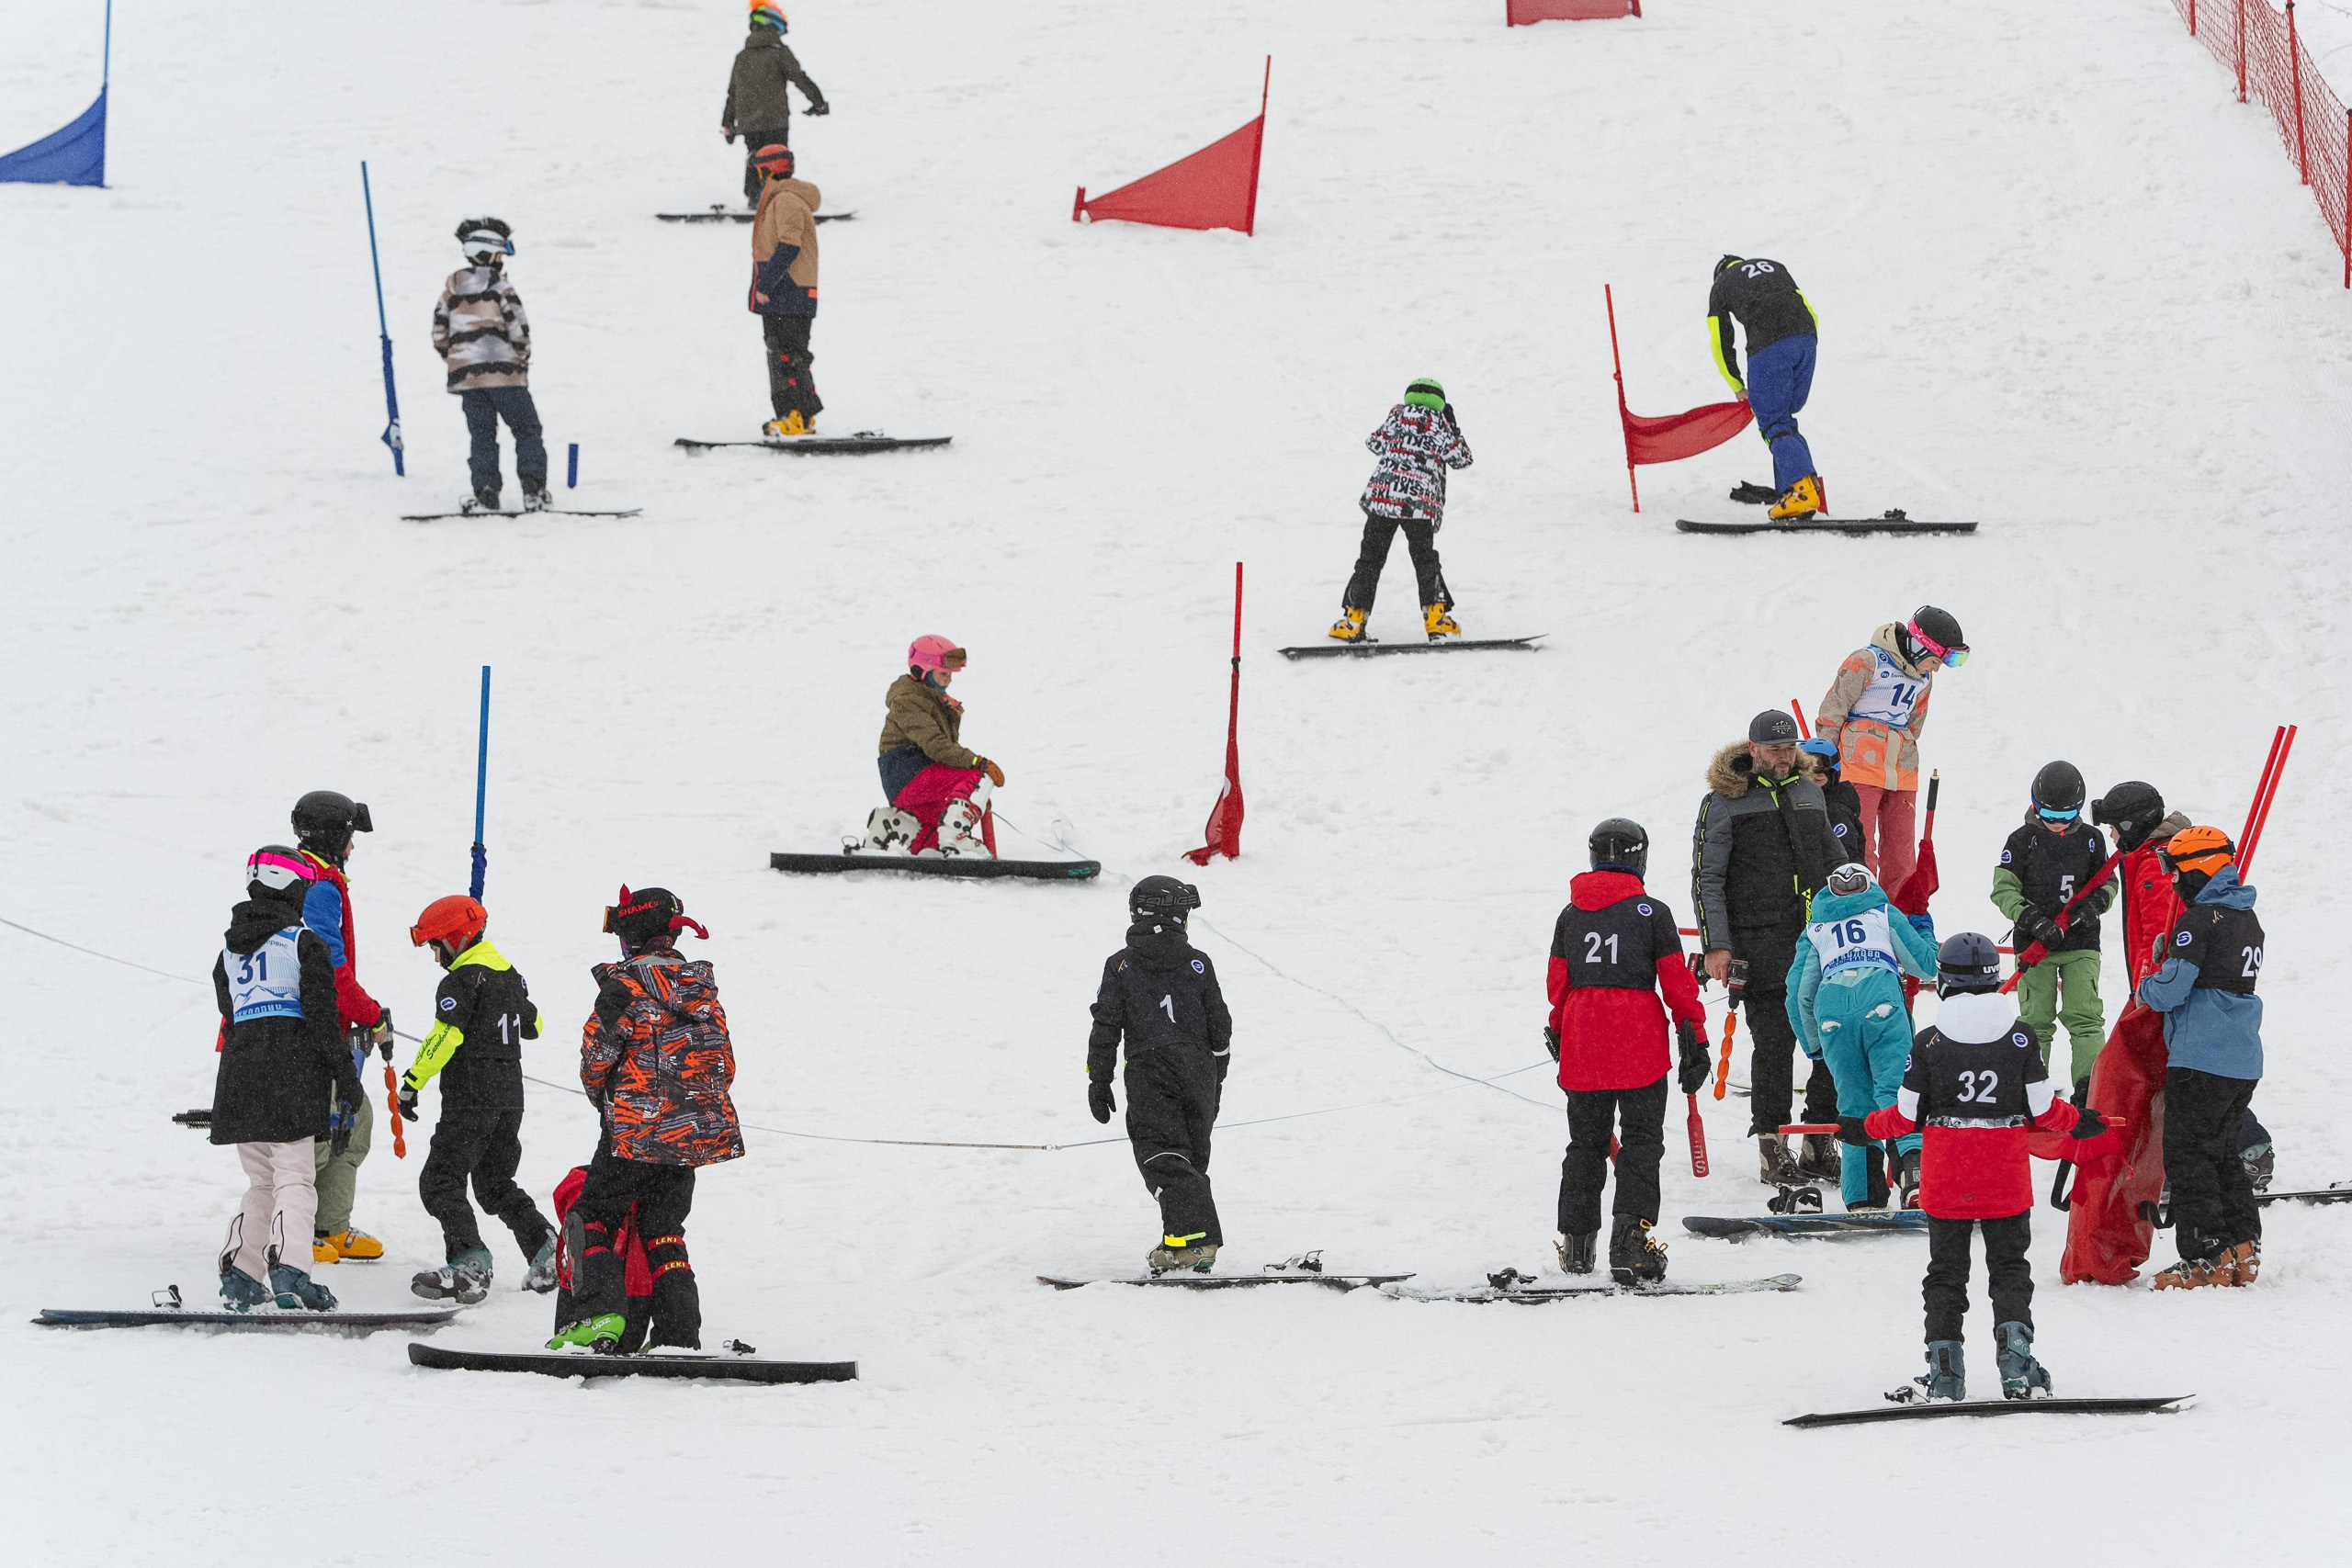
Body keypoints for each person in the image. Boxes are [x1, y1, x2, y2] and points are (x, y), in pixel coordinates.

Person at [1864, 932, 2097, 1403]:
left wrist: (1865, 1127)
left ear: (1945, 983)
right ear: (1995, 980)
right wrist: (2080, 1121)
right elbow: (2045, 1110)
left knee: (1946, 1273)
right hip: (2004, 1172)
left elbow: (1905, 1116)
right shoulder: (2021, 1037)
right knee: (2010, 1268)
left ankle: (1945, 1372)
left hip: (1947, 1173)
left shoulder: (1929, 1041)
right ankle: (2018, 1365)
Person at [550, 887, 744, 1352]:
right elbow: (725, 1065)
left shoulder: (624, 989)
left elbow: (596, 1058)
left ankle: (598, 1315)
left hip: (634, 1131)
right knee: (663, 1228)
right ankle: (679, 1333)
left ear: (629, 937)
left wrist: (609, 1100)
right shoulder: (701, 992)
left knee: (592, 1215)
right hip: (691, 1135)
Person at [1544, 819, 1708, 1283]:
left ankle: (1577, 1248)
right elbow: (1678, 985)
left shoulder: (1569, 916)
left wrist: (1561, 1030)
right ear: (1640, 858)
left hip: (1584, 1039)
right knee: (1641, 1142)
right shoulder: (1653, 913)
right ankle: (1630, 1243)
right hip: (1640, 1042)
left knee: (1586, 1144)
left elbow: (1559, 986)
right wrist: (1694, 1037)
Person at [1692, 709, 1841, 1184]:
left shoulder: (1808, 791)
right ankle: (1773, 1148)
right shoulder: (1723, 801)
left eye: (1788, 747)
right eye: (1773, 748)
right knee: (1775, 1046)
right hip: (1759, 945)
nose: (1783, 756)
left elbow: (1838, 866)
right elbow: (1707, 879)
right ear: (1752, 749)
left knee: (1833, 1041)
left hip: (1819, 943)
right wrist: (1718, 946)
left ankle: (1819, 1141)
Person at [210, 847, 363, 1312]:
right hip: (290, 1078)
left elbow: (230, 1015)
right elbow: (322, 1020)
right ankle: (292, 1272)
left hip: (239, 1078)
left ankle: (241, 1274)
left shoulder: (226, 952)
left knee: (261, 1182)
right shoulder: (303, 942)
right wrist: (346, 1080)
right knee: (296, 1179)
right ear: (293, 888)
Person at [2057, 780, 2188, 1285]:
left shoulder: (2155, 864)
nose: (2112, 838)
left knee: (2143, 1085)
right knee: (2168, 1083)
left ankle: (2244, 1144)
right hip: (2150, 994)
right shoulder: (2148, 858)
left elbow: (2159, 936)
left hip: (2157, 1000)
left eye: (2115, 827)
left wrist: (2146, 996)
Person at [397, 896, 558, 1304]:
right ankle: (547, 1251)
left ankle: (469, 1263)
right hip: (510, 1096)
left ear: (456, 939)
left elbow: (445, 1036)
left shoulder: (461, 980)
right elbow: (534, 1024)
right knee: (495, 1183)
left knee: (439, 1180)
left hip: (471, 1096)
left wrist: (413, 1080)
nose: (436, 958)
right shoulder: (510, 974)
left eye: (437, 946)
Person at [2139, 828, 2266, 1290]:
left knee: (2189, 1156)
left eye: (2176, 871)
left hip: (2201, 1058)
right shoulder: (2246, 918)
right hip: (2242, 1060)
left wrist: (2148, 981)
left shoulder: (2200, 918)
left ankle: (2205, 1253)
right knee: (2223, 1155)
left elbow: (2171, 990)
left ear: (2198, 868)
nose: (2172, 882)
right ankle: (2241, 1247)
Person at [1086, 876, 1233, 1273]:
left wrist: (1099, 1079)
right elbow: (1220, 1023)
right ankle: (1180, 1242)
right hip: (1199, 1066)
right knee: (1189, 1154)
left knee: (1160, 1152)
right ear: (1176, 919)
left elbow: (1106, 1026)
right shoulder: (1198, 962)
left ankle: (1197, 1241)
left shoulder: (1120, 964)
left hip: (1150, 1068)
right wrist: (1216, 1073)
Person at [1789, 863, 1939, 1210]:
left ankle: (1862, 1195)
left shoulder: (1816, 928)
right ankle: (1915, 1180)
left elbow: (1798, 995)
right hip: (1881, 1005)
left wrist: (1814, 1046)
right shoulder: (1882, 912)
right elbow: (1926, 965)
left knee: (1854, 1105)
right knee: (1897, 1094)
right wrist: (1923, 928)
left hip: (1832, 1014)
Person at [292, 790, 391, 1264]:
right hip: (310, 1030)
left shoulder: (313, 879)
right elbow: (329, 967)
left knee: (355, 1119)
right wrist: (372, 1013)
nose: (353, 848)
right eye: (350, 838)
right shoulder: (318, 886)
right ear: (335, 837)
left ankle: (331, 1227)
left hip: (326, 1027)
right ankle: (294, 1231)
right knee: (319, 1128)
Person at [1813, 605, 1966, 895]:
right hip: (1860, 766)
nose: (1936, 669)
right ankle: (1862, 904)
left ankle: (1902, 915)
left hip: (1902, 771)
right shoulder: (1866, 661)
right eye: (1935, 661)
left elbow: (1915, 725)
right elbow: (1832, 712)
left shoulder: (1924, 680)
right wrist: (1825, 760)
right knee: (1861, 844)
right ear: (1922, 648)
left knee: (1901, 852)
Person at [1991, 761, 2114, 1090]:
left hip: (2081, 944)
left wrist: (2092, 907)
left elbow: (2108, 884)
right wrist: (2032, 920)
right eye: (2049, 815)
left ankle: (2089, 1092)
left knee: (2085, 1017)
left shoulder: (2092, 840)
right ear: (2034, 803)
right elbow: (2003, 890)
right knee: (2035, 1022)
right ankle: (2034, 1091)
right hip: (2036, 947)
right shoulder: (2021, 840)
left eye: (2066, 817)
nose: (2057, 824)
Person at [1328, 378, 1474, 644]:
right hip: (1418, 506)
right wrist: (1453, 428)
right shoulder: (1438, 424)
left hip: (1383, 499)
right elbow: (1462, 458)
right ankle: (1436, 620)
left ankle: (1353, 620)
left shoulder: (1397, 415)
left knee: (1370, 559)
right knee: (1425, 560)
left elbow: (1374, 443)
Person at [431, 218, 547, 514]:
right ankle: (533, 489)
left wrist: (460, 361)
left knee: (482, 435)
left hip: (470, 381)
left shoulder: (451, 291)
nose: (502, 261)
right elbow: (519, 329)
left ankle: (486, 492)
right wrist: (520, 357)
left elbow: (439, 334)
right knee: (526, 429)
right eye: (500, 255)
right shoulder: (501, 287)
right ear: (488, 254)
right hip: (506, 377)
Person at [1707, 255, 1822, 520]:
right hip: (1806, 339)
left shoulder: (1721, 285)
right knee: (1784, 417)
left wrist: (1736, 384)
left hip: (1769, 346)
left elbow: (1721, 341)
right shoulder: (1776, 266)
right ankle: (1794, 489)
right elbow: (1808, 309)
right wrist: (1803, 346)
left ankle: (1803, 492)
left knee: (1772, 421)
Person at [867, 635, 1001, 857]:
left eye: (950, 675)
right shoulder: (908, 700)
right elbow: (936, 746)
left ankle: (890, 823)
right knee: (979, 776)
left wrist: (975, 798)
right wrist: (978, 763)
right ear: (922, 672)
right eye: (942, 674)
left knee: (935, 839)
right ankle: (955, 839)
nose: (948, 680)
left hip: (915, 778)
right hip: (907, 772)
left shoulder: (934, 698)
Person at [720, 3, 828, 209]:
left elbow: (732, 94)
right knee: (777, 158)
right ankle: (778, 201)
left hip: (749, 122)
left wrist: (727, 123)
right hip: (775, 121)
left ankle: (754, 199)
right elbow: (799, 78)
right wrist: (819, 103)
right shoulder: (780, 53)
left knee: (755, 156)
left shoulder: (741, 58)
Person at [749, 143, 822, 436]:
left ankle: (792, 415)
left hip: (788, 289)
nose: (758, 176)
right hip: (789, 288)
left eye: (760, 170)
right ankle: (802, 415)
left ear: (771, 170)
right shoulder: (782, 199)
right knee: (791, 352)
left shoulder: (786, 200)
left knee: (782, 353)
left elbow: (788, 245)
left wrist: (766, 284)